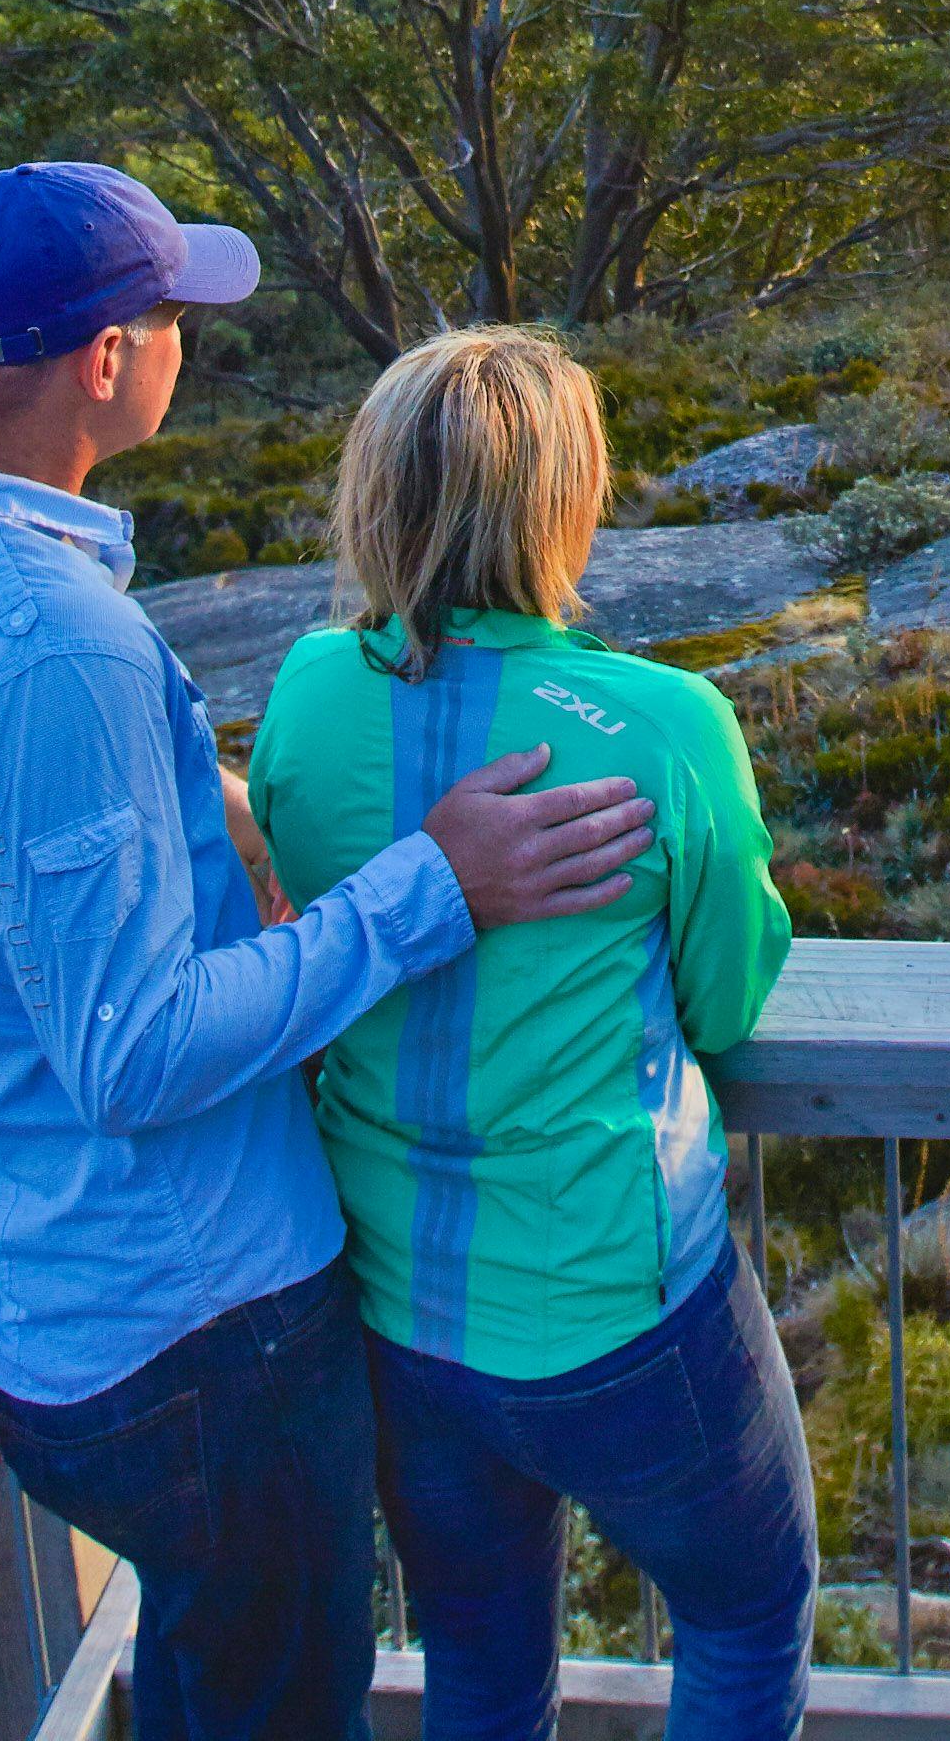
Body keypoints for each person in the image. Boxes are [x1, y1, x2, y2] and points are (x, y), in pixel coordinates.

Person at [0, 166, 657, 1741]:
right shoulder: (52, 646)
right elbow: (137, 1053)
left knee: (196, 1673)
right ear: (107, 359)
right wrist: (430, 885)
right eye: (174, 315)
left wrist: (201, 806)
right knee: (274, 1705)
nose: (190, 342)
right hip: (180, 1331)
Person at [250, 327, 812, 1741]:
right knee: (747, 1616)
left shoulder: (309, 692)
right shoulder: (666, 727)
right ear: (563, 501)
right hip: (619, 1303)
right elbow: (729, 997)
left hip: (393, 1307)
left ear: (381, 491)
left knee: (482, 1663)